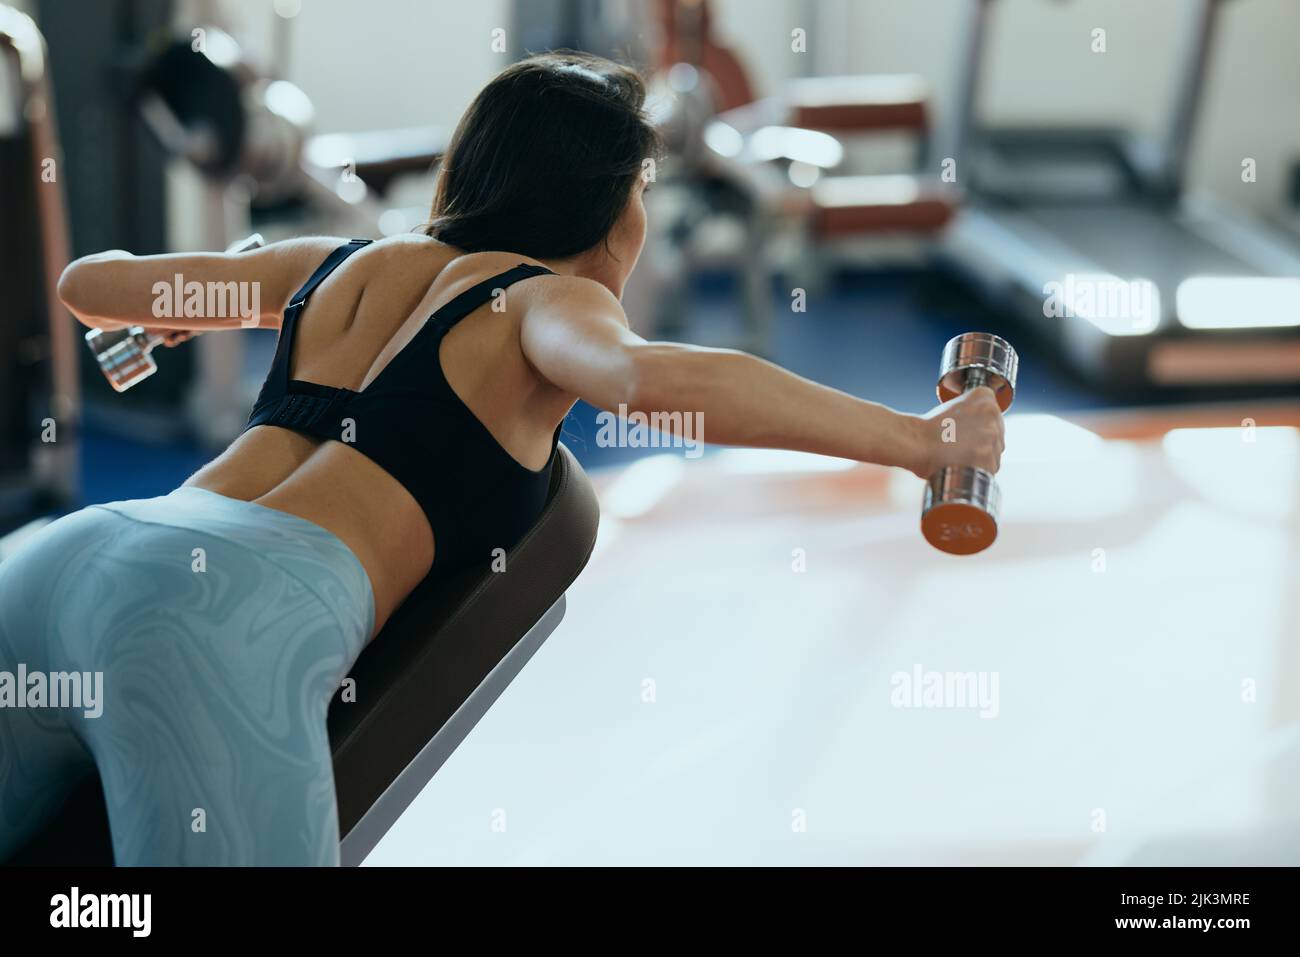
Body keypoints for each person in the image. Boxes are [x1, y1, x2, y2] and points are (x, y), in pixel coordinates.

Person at [0, 52, 1004, 866]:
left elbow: (91, 284)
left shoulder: (332, 266)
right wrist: (921, 440)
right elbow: (642, 379)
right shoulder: (545, 299)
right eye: (641, 192)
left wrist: (184, 305)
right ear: (608, 209)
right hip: (212, 618)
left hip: (62, 562)